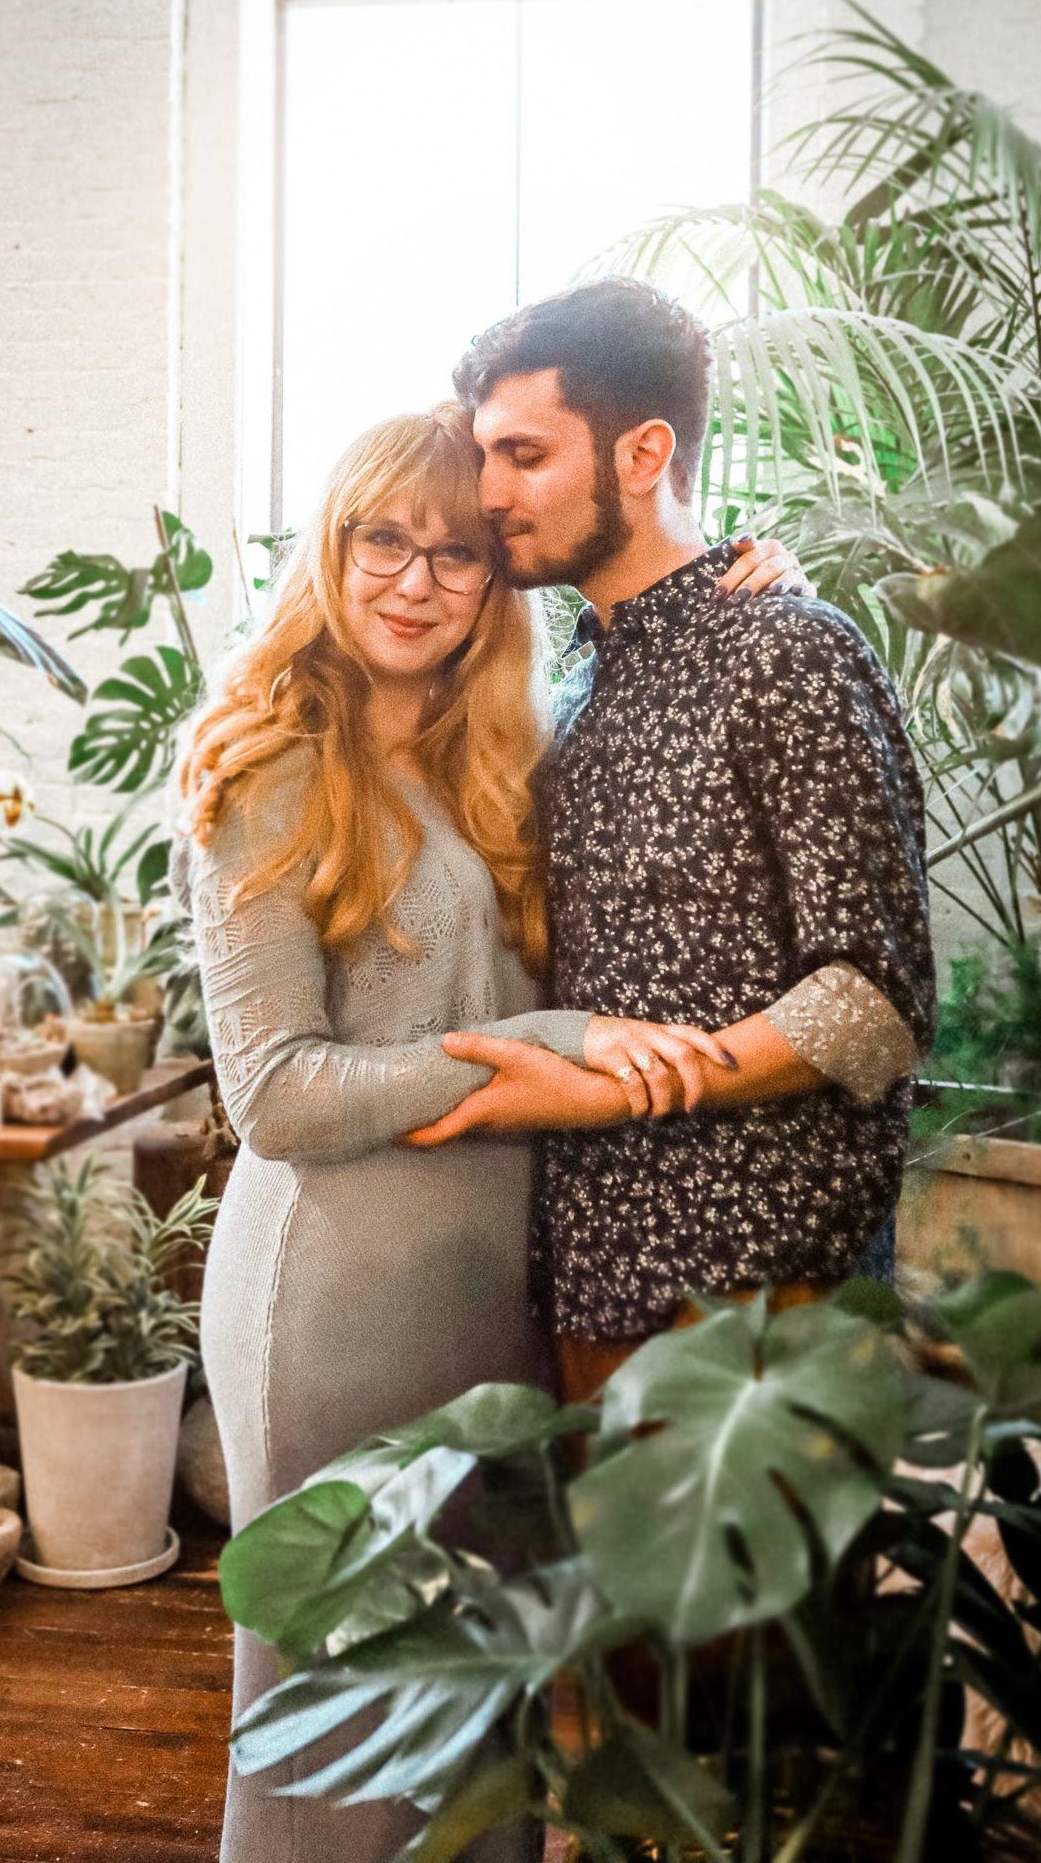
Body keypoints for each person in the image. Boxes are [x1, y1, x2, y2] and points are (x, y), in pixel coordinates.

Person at [169, 403, 808, 1863]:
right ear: (330, 549)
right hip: (335, 1299)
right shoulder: (265, 763)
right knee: (344, 1726)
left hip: (495, 1303)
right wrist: (546, 1043)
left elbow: (666, 649)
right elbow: (275, 1094)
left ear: (496, 580)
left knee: (482, 1729)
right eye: (382, 541)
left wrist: (766, 586)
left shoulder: (505, 752)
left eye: (456, 553)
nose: (415, 580)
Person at [406, 276, 937, 1403]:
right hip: (585, 1280)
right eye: (484, 456)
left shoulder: (786, 653)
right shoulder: (572, 686)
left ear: (643, 454)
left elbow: (873, 1008)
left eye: (523, 455)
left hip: (759, 1299)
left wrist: (607, 1094)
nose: (489, 493)